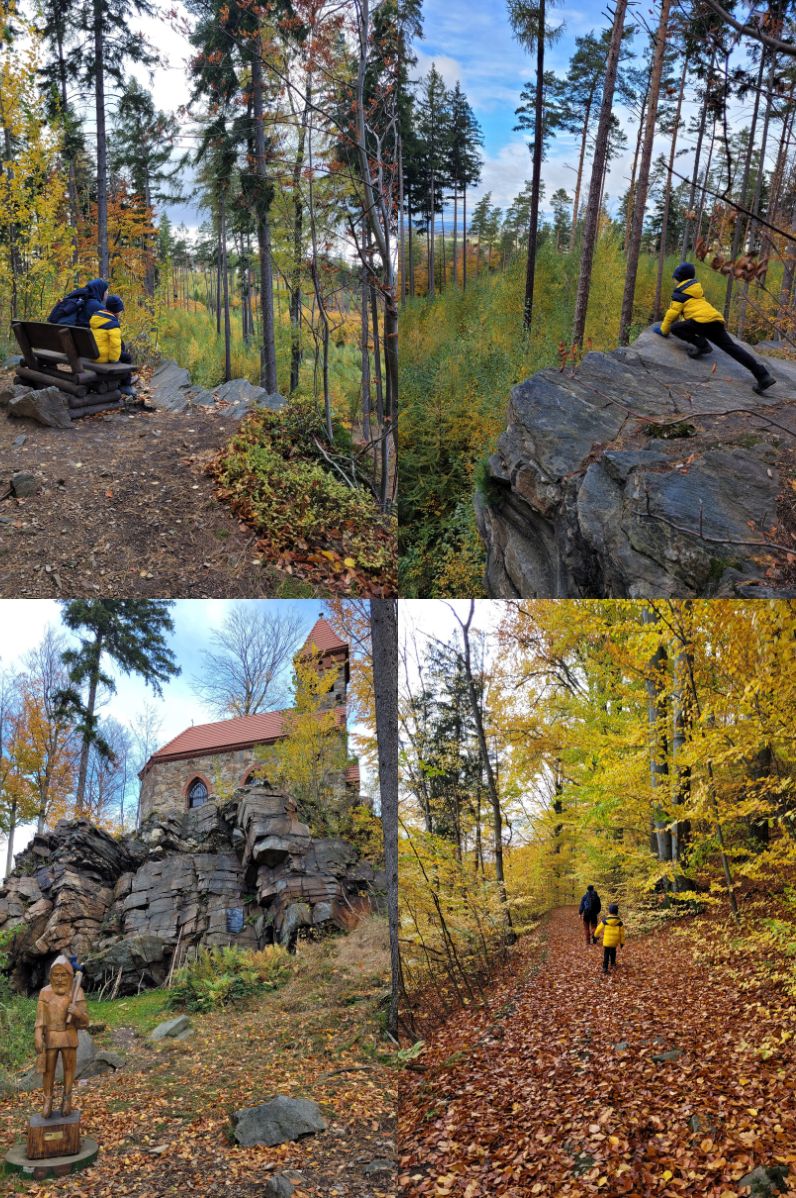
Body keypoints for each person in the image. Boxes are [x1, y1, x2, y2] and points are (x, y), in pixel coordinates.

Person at [653, 263, 776, 395]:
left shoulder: (679, 292)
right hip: (715, 320)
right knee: (733, 349)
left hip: (700, 322)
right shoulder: (696, 290)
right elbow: (695, 310)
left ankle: (702, 345)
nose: (674, 280)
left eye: (675, 277)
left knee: (675, 328)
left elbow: (672, 313)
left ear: (679, 278)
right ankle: (763, 376)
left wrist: (664, 330)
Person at [34, 955, 89, 1118]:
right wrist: (38, 1034)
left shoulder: (76, 991)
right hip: (50, 1036)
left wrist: (78, 1013)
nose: (59, 979)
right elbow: (40, 1018)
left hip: (69, 1035)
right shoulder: (45, 993)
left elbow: (85, 1022)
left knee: (69, 1069)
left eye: (63, 975)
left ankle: (67, 1099)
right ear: (50, 976)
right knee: (48, 1070)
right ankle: (48, 1100)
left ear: (70, 976)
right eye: (55, 975)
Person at [90, 293, 135, 396]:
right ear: (117, 311)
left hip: (93, 354)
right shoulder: (113, 324)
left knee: (122, 347)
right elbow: (115, 346)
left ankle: (122, 381)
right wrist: (114, 361)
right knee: (127, 357)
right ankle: (125, 385)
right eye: (120, 310)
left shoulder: (96, 318)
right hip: (102, 358)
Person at [594, 902, 625, 976]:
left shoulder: (605, 920)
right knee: (613, 952)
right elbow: (622, 934)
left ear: (609, 911)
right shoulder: (619, 922)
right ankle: (613, 963)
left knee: (606, 954)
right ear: (617, 912)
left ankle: (605, 968)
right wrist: (622, 942)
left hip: (607, 941)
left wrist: (596, 936)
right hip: (614, 942)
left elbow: (598, 929)